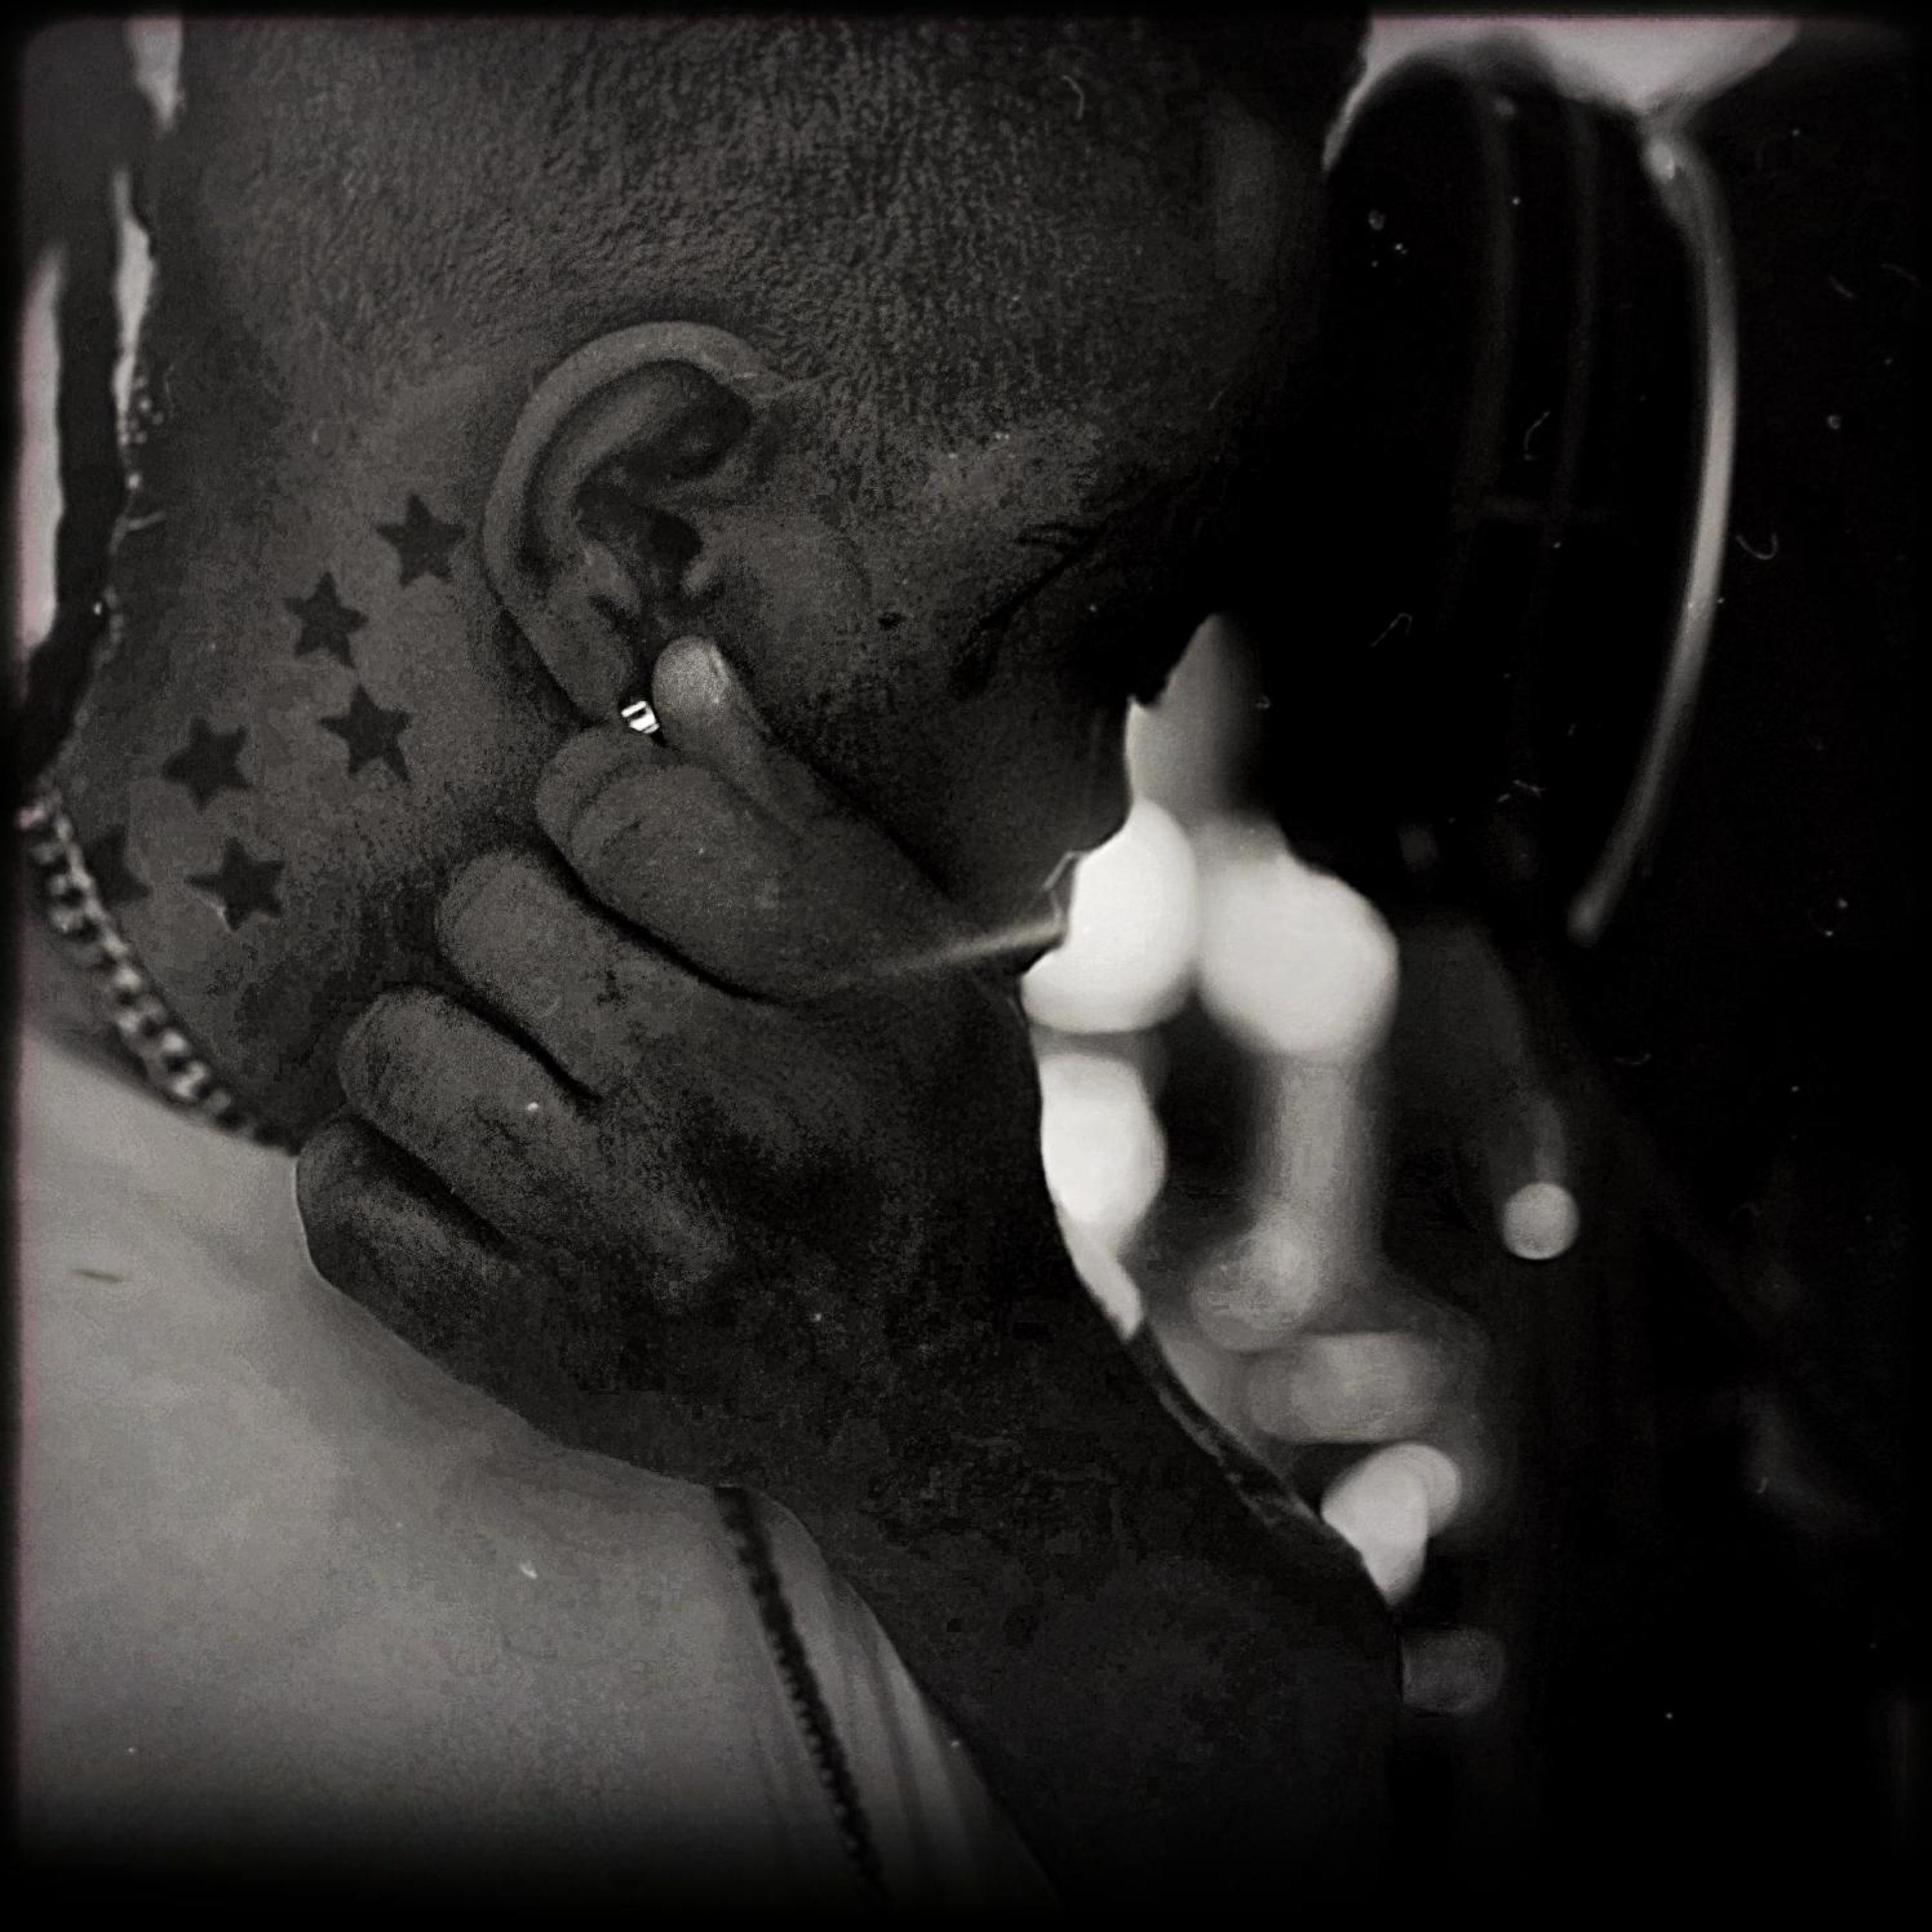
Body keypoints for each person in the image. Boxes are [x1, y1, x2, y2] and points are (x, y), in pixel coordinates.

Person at [14, 15, 1396, 1908]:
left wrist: (964, 1405)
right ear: (640, 537)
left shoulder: (868, 1200)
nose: (1092, 826)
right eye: (1106, 647)